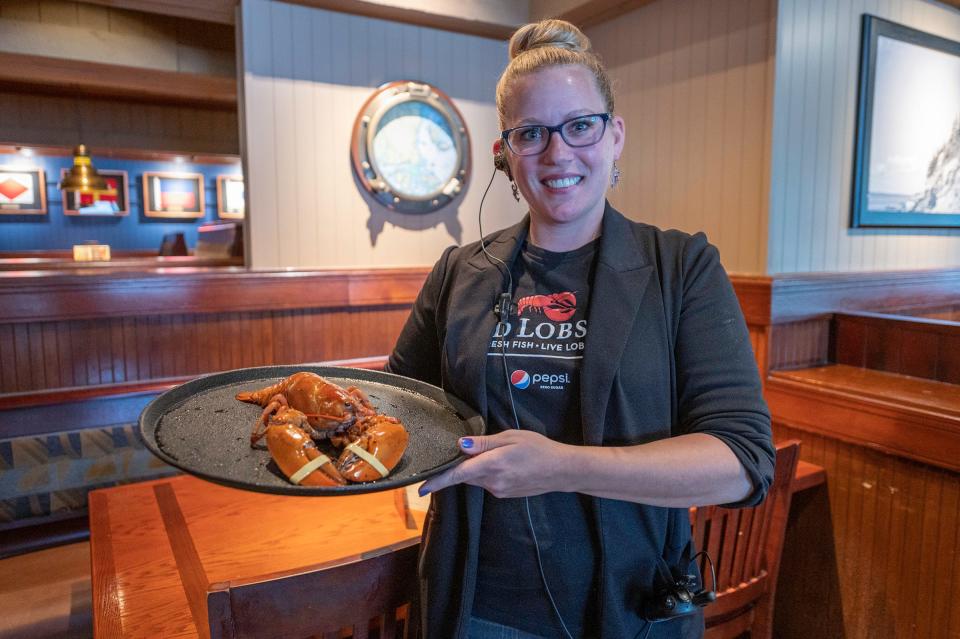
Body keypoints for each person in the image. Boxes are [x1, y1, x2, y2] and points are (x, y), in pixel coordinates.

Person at [386, 18, 775, 639]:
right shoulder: (459, 271)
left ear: (614, 135)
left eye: (579, 126)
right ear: (504, 152)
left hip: (634, 607)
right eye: (531, 133)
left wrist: (561, 466)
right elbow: (399, 412)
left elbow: (742, 463)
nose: (557, 153)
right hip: (481, 607)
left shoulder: (681, 267)